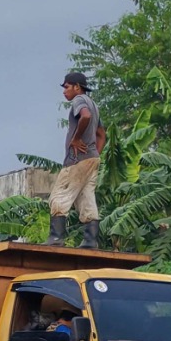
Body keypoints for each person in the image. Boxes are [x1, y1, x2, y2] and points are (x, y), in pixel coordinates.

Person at [47, 72, 108, 249]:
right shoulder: (93, 104)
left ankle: (56, 238)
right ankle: (90, 240)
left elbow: (85, 116)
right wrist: (94, 154)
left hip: (77, 160)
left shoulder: (79, 100)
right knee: (86, 198)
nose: (64, 91)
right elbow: (101, 134)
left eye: (66, 87)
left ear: (77, 87)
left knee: (59, 196)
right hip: (91, 159)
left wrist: (76, 139)